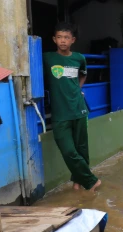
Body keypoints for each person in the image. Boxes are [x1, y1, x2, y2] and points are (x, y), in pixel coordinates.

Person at [43, 22, 101, 192]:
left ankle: (78, 182)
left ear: (72, 40)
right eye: (59, 37)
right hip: (60, 113)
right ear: (54, 39)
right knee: (68, 150)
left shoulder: (79, 58)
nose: (62, 41)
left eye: (66, 38)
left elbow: (83, 74)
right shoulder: (48, 58)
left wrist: (77, 89)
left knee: (82, 148)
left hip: (79, 109)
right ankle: (91, 181)